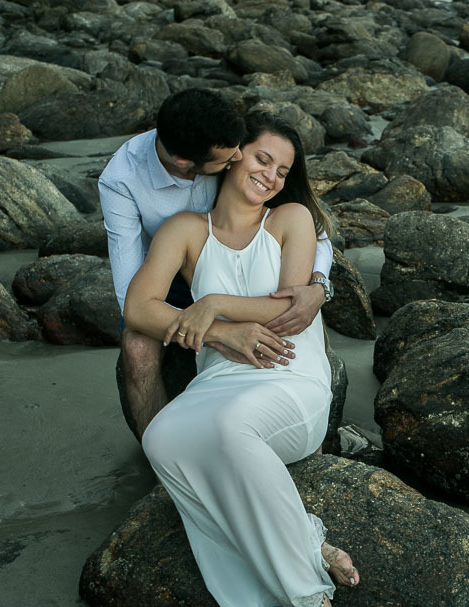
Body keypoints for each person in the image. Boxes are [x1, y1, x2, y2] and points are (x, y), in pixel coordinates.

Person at [123, 111, 356, 607]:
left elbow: (289, 307)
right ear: (233, 157)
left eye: (282, 169)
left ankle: (306, 593)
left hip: (289, 376)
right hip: (220, 378)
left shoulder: (290, 218)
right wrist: (222, 332)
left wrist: (212, 305)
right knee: (161, 439)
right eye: (261, 158)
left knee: (230, 431)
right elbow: (139, 308)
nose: (271, 175)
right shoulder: (184, 230)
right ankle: (308, 541)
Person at [100, 88, 335, 436]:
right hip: (167, 267)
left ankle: (313, 416)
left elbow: (314, 230)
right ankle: (158, 446)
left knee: (301, 314)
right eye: (227, 160)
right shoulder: (122, 180)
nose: (237, 156)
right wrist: (219, 332)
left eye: (240, 149)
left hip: (238, 247)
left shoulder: (218, 135)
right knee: (136, 347)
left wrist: (318, 284)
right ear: (185, 163)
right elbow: (131, 300)